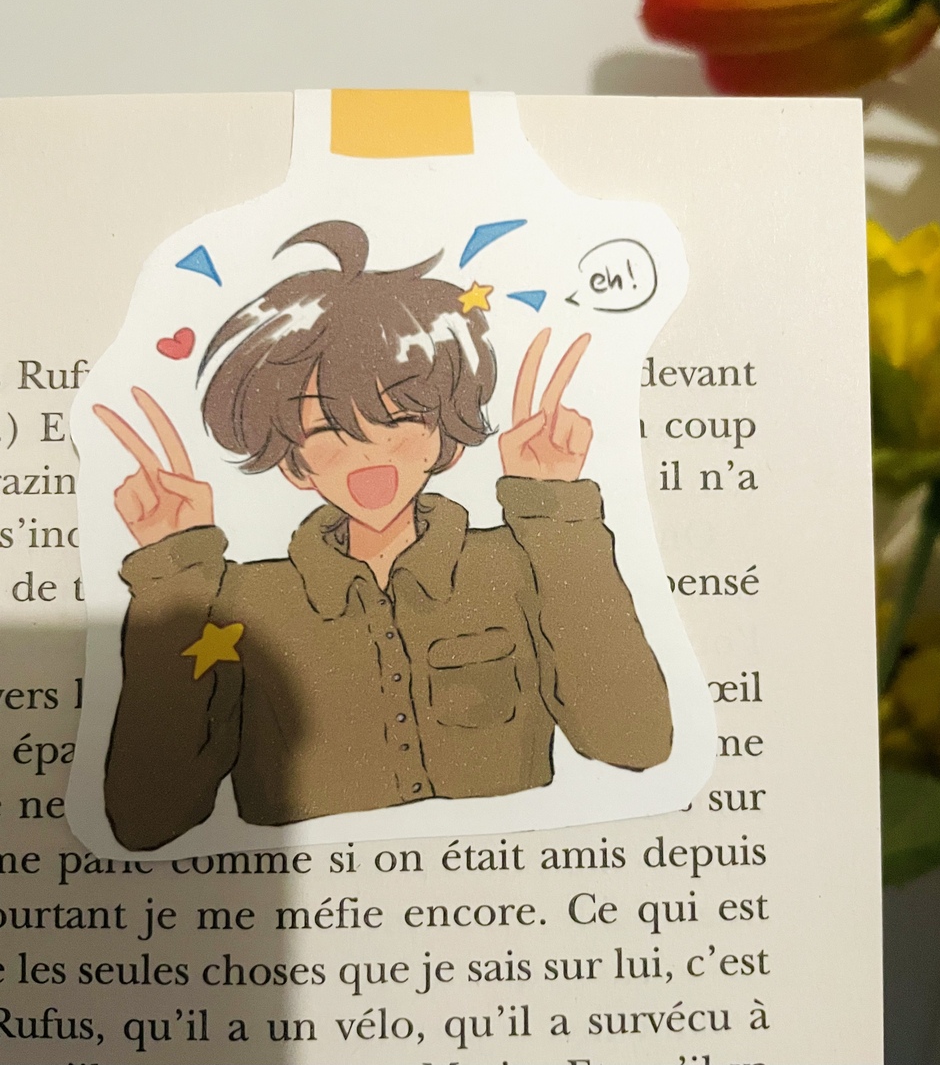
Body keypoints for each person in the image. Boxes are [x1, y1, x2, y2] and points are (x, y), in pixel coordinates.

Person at [95, 220, 672, 851]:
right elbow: (149, 817)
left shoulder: (513, 565)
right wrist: (173, 573)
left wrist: (556, 512)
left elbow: (634, 740)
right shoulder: (244, 604)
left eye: (399, 420)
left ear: (447, 438)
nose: (369, 454)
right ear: (292, 463)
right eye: (326, 431)